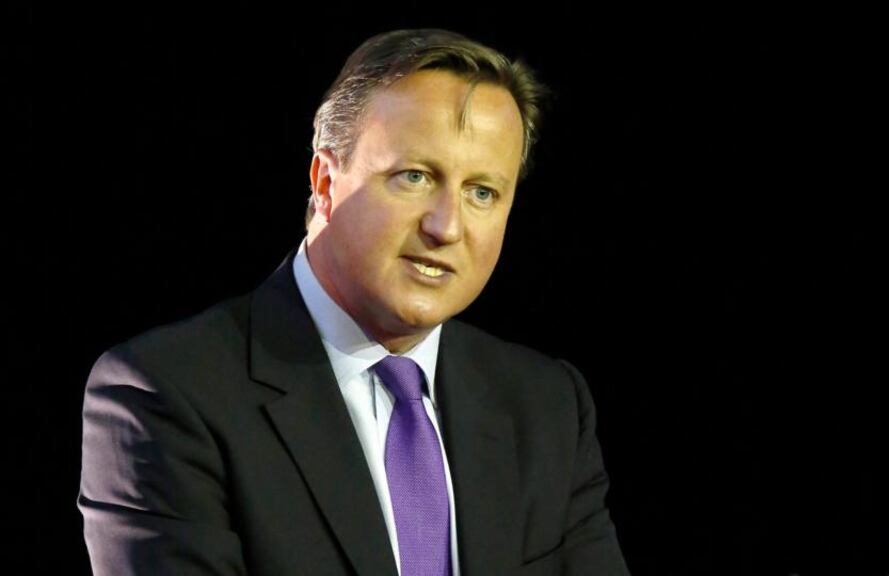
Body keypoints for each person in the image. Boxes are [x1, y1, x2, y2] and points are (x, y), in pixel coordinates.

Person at [78, 28, 630, 576]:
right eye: (414, 177)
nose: (447, 226)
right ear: (323, 181)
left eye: (481, 192)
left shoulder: (547, 407)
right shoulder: (166, 394)